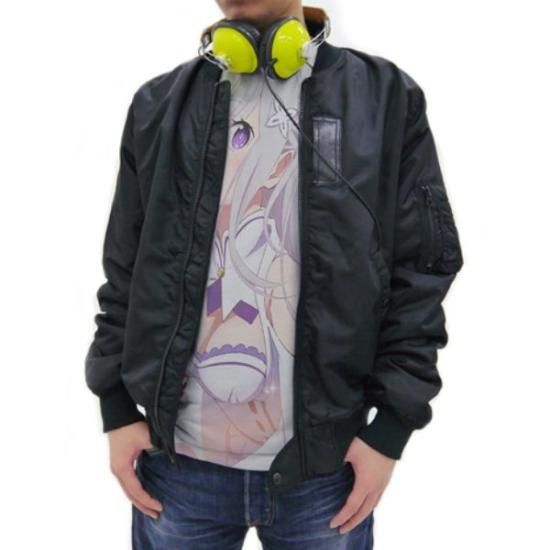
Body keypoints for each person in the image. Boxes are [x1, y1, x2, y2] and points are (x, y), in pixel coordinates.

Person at [84, 1, 464, 548]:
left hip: (326, 474)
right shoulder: (158, 105)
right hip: (176, 469)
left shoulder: (385, 99)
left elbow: (422, 271)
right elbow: (124, 268)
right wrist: (116, 408)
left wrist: (389, 431)